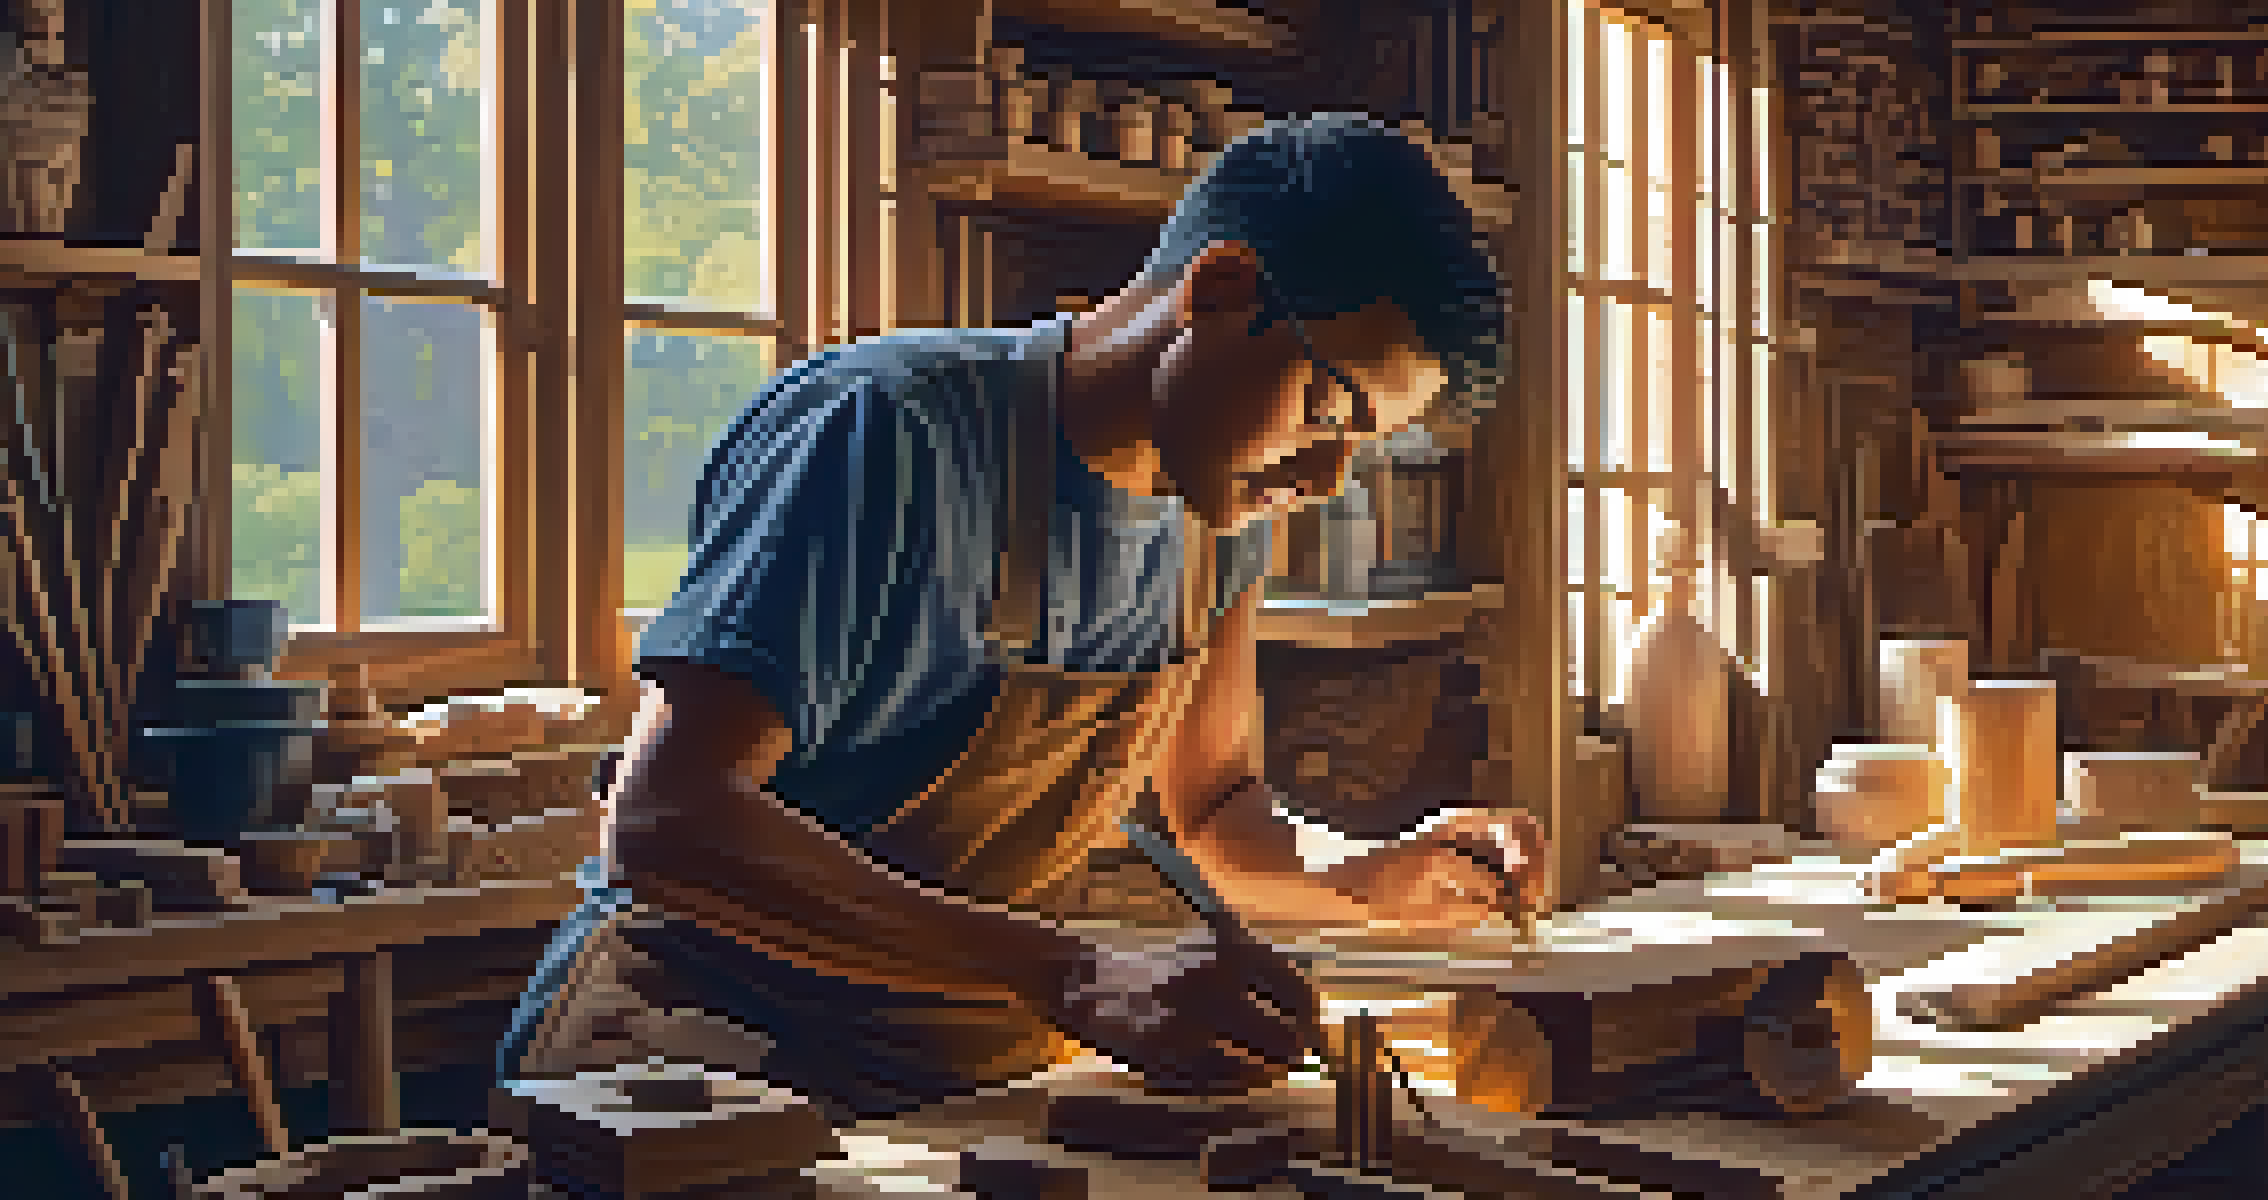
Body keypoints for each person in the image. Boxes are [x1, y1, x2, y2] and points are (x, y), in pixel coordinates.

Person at [497, 113, 1546, 1119]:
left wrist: (1368, 872)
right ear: (1221, 290)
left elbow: (1219, 814)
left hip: (928, 1070)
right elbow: (666, 822)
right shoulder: (886, 437)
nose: (1325, 479)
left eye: (1365, 447)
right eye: (1329, 411)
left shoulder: (1217, 511)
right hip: (688, 1060)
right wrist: (1074, 973)